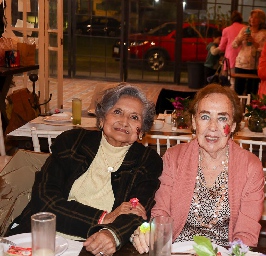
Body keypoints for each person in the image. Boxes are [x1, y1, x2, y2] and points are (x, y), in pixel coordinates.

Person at [6, 84, 163, 256]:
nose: (124, 121)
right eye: (117, 112)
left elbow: (136, 211)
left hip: (93, 246)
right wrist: (103, 218)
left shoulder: (147, 161)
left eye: (134, 117)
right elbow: (45, 201)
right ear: (102, 119)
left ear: (141, 131)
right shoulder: (73, 142)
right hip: (41, 239)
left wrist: (112, 234)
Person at [131, 84, 265, 253]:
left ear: (233, 126)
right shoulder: (174, 158)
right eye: (205, 117)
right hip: (178, 250)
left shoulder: (250, 167)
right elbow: (161, 213)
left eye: (222, 118)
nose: (213, 127)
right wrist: (152, 237)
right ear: (194, 122)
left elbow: (247, 233)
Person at [232, 9, 266, 96]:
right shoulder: (244, 29)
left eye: (256, 18)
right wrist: (241, 39)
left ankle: (251, 109)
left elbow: (265, 50)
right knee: (238, 91)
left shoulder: (264, 33)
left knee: (252, 92)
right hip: (241, 64)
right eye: (251, 17)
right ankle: (238, 108)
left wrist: (254, 42)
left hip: (255, 66)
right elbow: (233, 45)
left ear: (261, 20)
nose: (252, 19)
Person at [218, 10, 246, 89]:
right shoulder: (245, 28)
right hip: (244, 59)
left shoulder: (226, 30)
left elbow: (222, 47)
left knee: (231, 81)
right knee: (241, 83)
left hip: (230, 58)